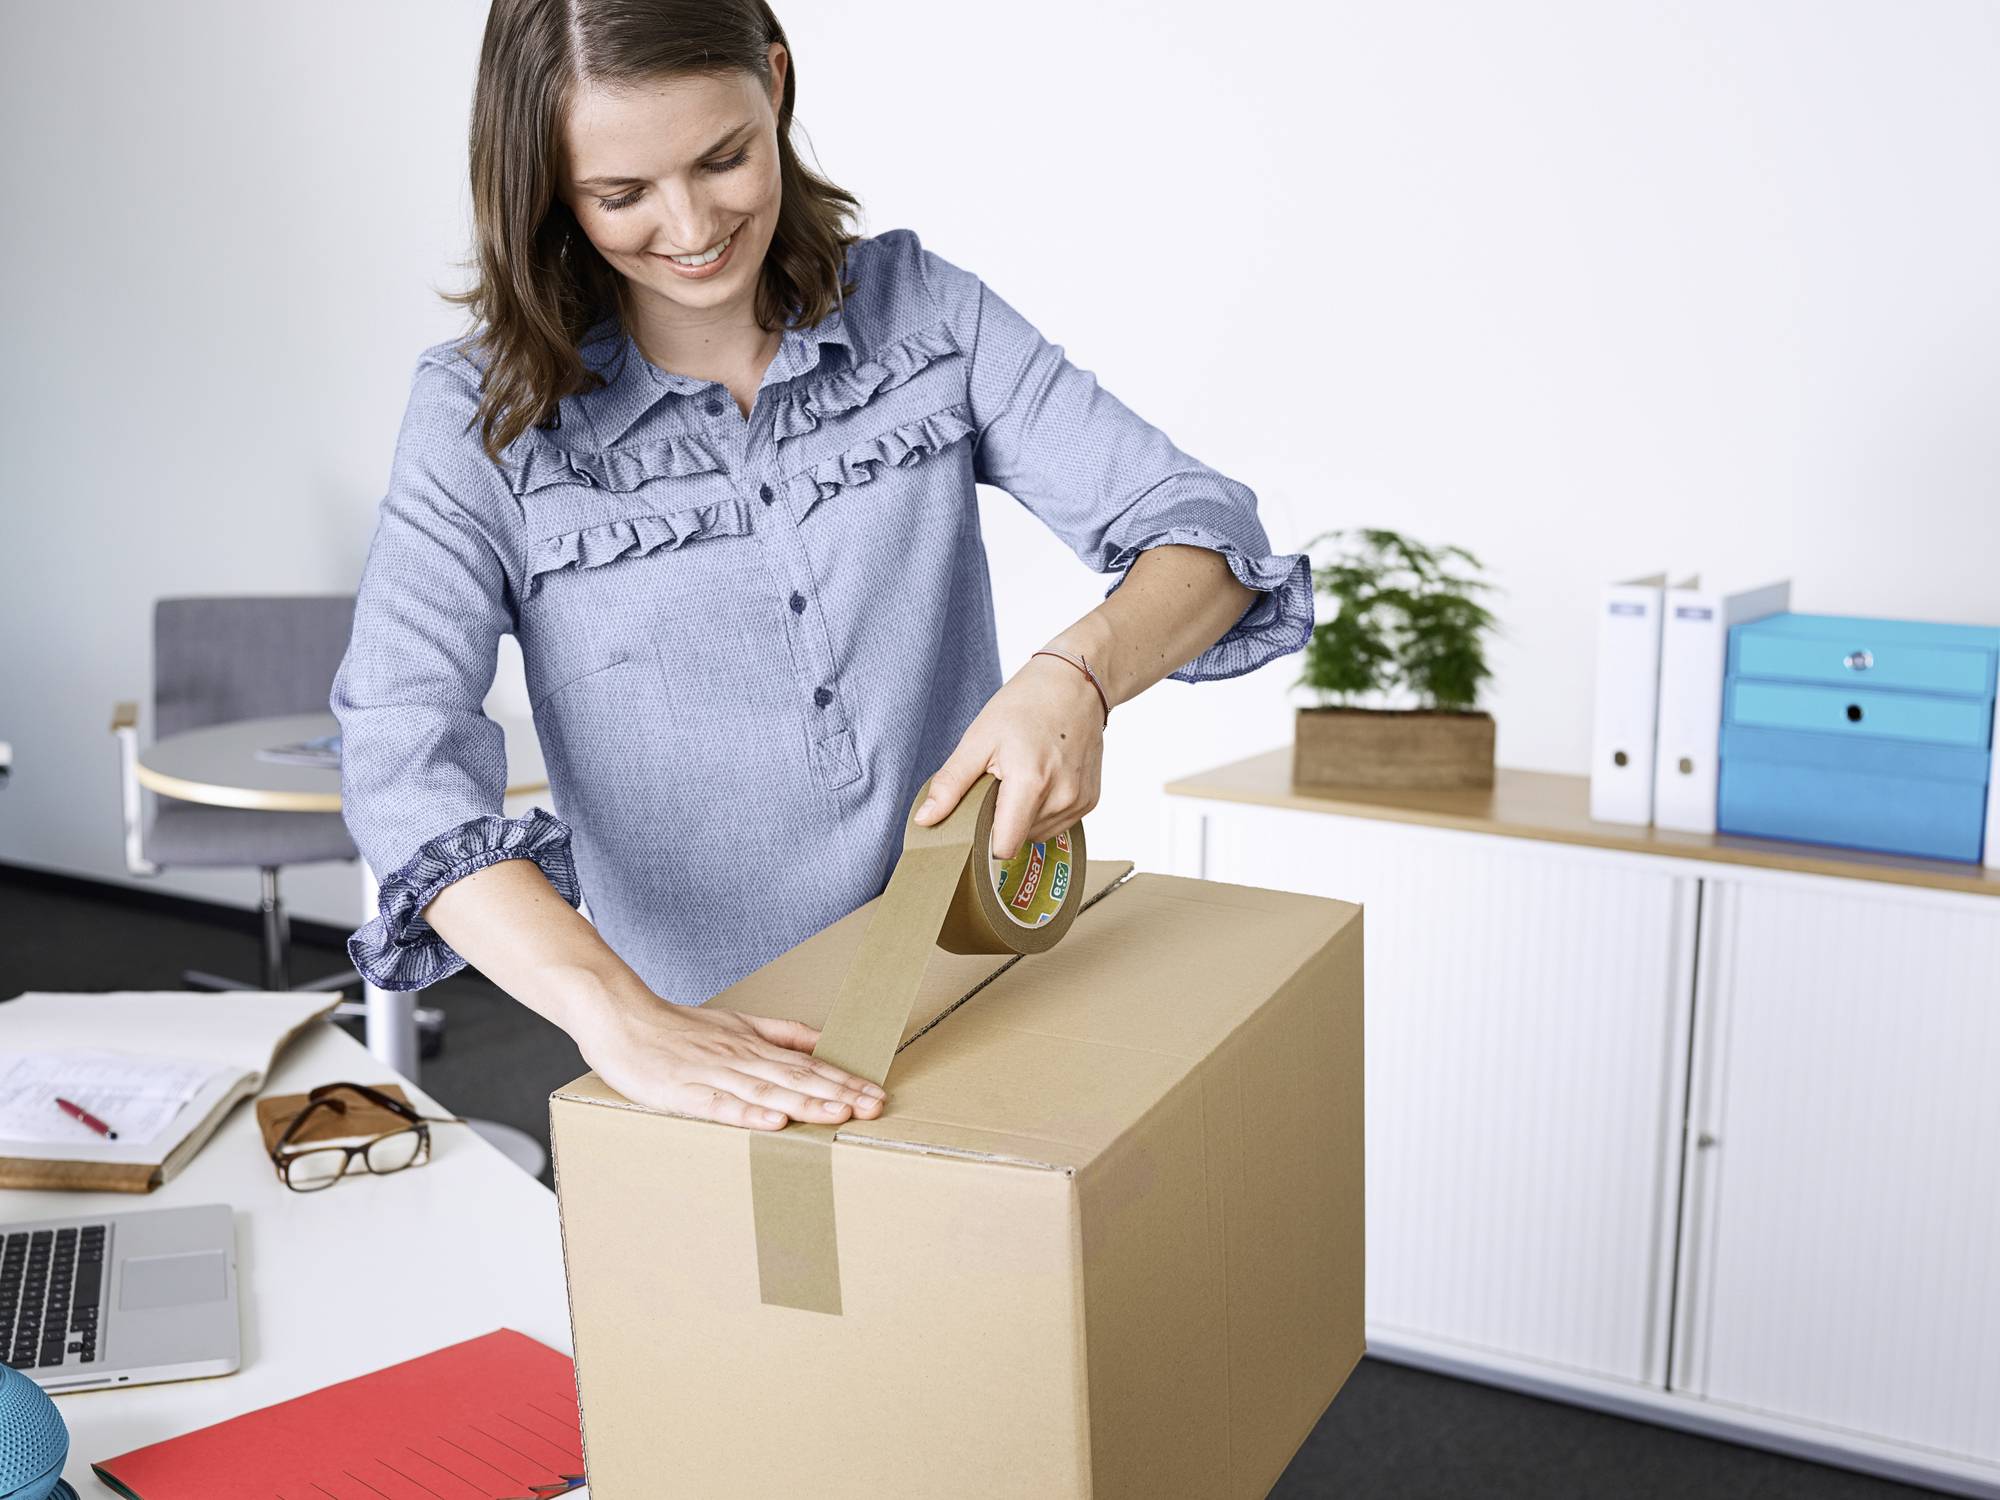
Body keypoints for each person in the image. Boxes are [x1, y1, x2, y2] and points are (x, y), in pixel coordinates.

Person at [331, 0, 1314, 1134]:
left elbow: (1200, 528)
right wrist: (615, 1013)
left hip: (979, 994)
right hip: (709, 1067)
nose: (692, 224)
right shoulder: (480, 418)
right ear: (545, 183)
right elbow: (400, 742)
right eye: (621, 194)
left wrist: (1077, 675)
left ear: (777, 86)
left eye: (723, 157)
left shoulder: (923, 312)